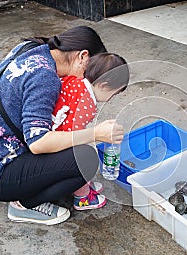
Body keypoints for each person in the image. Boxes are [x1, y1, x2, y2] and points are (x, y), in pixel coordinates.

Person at [0, 26, 125, 225]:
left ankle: (33, 187)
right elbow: (38, 143)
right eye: (91, 70)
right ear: (83, 56)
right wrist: (95, 133)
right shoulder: (45, 78)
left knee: (73, 149)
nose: (88, 78)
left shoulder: (32, 48)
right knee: (85, 160)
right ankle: (23, 205)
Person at [51, 52, 129, 211]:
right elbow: (73, 140)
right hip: (55, 145)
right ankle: (83, 196)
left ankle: (80, 184)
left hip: (49, 133)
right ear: (103, 85)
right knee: (83, 156)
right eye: (113, 94)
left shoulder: (76, 80)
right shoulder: (87, 104)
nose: (111, 99)